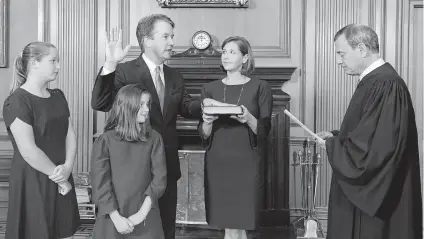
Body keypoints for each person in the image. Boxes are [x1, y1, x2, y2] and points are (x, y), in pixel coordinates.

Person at [90, 14, 211, 239]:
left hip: (165, 168)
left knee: (164, 230)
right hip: (130, 171)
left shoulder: (175, 76)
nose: (172, 42)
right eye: (166, 36)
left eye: (172, 36)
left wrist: (206, 105)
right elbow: (100, 103)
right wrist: (110, 63)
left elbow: (186, 107)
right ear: (147, 40)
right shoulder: (125, 71)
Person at [316, 24, 422, 239]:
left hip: (383, 197)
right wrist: (337, 136)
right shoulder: (378, 81)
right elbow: (370, 130)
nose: (338, 61)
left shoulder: (386, 83)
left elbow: (377, 147)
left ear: (362, 49)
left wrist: (334, 146)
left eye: (341, 53)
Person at [2, 42, 80, 239]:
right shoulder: (17, 101)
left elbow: (70, 134)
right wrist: (60, 177)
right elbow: (29, 150)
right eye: (53, 61)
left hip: (61, 173)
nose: (58, 66)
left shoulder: (58, 96)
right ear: (35, 63)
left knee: (64, 233)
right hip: (33, 180)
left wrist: (68, 167)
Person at [198, 36, 273, 239]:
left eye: (232, 52)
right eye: (224, 52)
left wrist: (248, 117)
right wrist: (206, 121)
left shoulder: (260, 87)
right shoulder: (210, 89)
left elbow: (265, 130)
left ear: (245, 58)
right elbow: (204, 135)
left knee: (240, 219)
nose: (226, 56)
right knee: (229, 222)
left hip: (246, 159)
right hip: (218, 159)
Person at [91, 84, 167, 239]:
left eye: (147, 104)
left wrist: (140, 215)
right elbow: (100, 184)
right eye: (141, 105)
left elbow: (159, 180)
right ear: (126, 107)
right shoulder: (105, 141)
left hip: (146, 217)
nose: (146, 110)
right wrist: (117, 218)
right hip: (111, 217)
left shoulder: (154, 138)